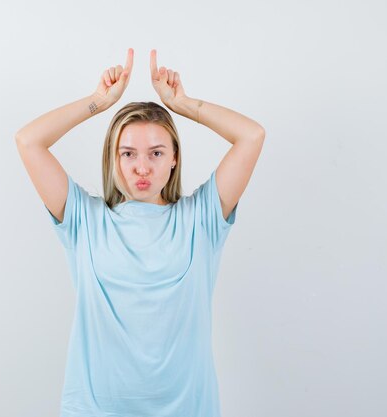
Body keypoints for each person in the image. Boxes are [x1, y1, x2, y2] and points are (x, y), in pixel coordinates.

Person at [15, 48, 265, 417]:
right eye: (128, 153)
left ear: (175, 157)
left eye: (156, 153)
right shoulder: (85, 219)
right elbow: (28, 141)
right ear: (113, 159)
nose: (141, 167)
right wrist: (97, 103)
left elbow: (252, 135)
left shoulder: (202, 219)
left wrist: (183, 105)